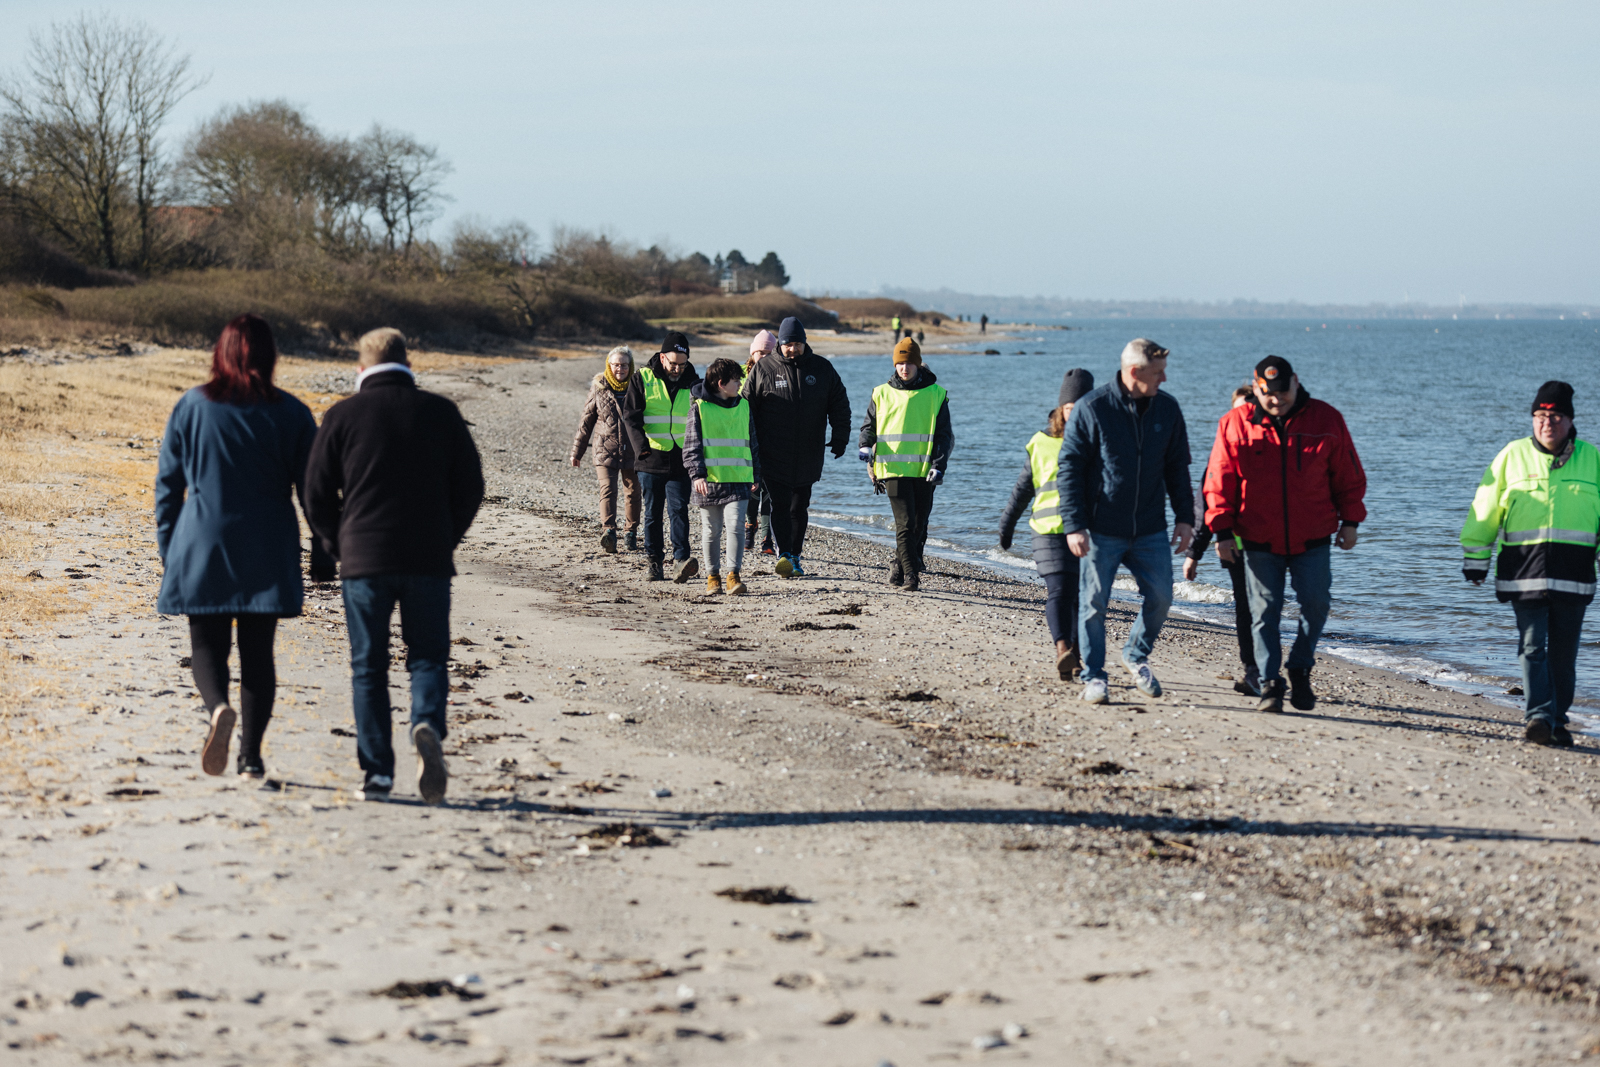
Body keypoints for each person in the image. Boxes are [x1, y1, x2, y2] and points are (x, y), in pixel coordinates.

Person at [305, 328, 484, 803]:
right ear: (408, 364)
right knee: (427, 656)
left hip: (364, 559)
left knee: (368, 666)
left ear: (361, 369)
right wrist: (447, 537)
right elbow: (471, 487)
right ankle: (425, 722)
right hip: (428, 558)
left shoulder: (342, 415)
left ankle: (378, 775)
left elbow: (315, 492)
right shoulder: (440, 411)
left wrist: (337, 544)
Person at [155, 314, 326, 780]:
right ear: (270, 357)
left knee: (206, 646)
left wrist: (170, 551)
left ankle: (217, 708)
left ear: (220, 354)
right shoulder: (292, 412)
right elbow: (313, 491)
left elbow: (167, 487)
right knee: (258, 655)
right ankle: (251, 757)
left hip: (202, 541)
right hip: (267, 543)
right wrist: (322, 548)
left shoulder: (191, 406)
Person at [1204, 355, 1366, 713]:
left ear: (1296, 382)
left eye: (1282, 392)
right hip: (1257, 537)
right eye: (1268, 394)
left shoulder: (1327, 418)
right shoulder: (1235, 423)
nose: (1276, 400)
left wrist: (1351, 522)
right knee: (1264, 613)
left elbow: (1348, 474)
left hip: (1314, 535)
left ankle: (1300, 666)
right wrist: (1221, 532)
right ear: (1256, 388)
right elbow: (1218, 480)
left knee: (1317, 604)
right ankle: (1270, 683)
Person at [1461, 380, 1600, 747]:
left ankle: (1557, 721)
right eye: (1540, 415)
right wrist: (1476, 558)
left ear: (1570, 420)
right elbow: (1485, 507)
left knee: (1564, 656)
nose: (1546, 423)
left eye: (1555, 416)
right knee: (1532, 647)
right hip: (1524, 573)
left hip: (1574, 575)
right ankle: (1538, 716)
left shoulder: (1593, 459)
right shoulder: (1512, 455)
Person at [1059, 338, 1194, 705]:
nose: (1164, 379)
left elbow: (1177, 468)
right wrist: (1074, 524)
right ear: (1135, 372)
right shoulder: (1093, 408)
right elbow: (1069, 468)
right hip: (1101, 528)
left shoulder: (1167, 408)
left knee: (1162, 597)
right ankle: (1094, 676)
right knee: (1093, 605)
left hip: (1150, 527)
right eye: (1158, 372)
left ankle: (1136, 654)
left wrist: (1185, 518)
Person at [999, 368, 1093, 679]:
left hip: (1084, 531)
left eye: (1082, 407)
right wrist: (1007, 525)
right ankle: (1062, 648)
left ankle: (1074, 655)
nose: (1075, 413)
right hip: (1047, 529)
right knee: (1060, 589)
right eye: (1070, 407)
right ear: (1061, 408)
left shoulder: (1098, 441)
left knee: (1080, 595)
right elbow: (1023, 489)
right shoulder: (1040, 442)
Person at [742, 316, 851, 577]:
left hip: (808, 451)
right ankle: (785, 555)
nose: (793, 349)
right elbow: (746, 409)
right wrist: (747, 447)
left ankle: (796, 554)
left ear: (805, 342)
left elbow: (839, 404)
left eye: (797, 344)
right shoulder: (764, 369)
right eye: (788, 344)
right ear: (780, 343)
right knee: (780, 505)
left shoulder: (822, 368)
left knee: (799, 507)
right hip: (773, 452)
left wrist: (840, 437)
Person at [859, 338, 952, 592]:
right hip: (892, 469)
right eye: (900, 363)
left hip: (924, 471)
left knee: (919, 524)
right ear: (895, 365)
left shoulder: (936, 394)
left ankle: (898, 567)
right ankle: (911, 576)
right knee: (906, 523)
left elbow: (944, 436)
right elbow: (869, 426)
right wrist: (865, 445)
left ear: (918, 364)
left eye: (909, 363)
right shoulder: (881, 393)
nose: (904, 368)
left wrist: (939, 465)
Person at [1184, 385, 1260, 696]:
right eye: (1239, 408)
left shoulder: (1270, 446)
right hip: (1235, 545)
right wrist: (1194, 553)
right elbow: (1206, 505)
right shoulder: (1223, 449)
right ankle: (1253, 669)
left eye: (1250, 407)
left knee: (1267, 606)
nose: (1244, 414)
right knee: (1246, 606)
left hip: (1271, 544)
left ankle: (1268, 668)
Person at [622, 332, 702, 583]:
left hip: (681, 457)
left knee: (679, 510)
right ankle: (654, 562)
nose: (677, 369)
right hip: (650, 457)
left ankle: (681, 561)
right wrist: (641, 447)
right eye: (673, 363)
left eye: (682, 364)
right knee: (653, 513)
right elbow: (631, 417)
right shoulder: (642, 378)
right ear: (662, 357)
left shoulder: (694, 382)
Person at [684, 357, 762, 596]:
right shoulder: (699, 408)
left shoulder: (744, 406)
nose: (740, 383)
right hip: (708, 482)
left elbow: (753, 443)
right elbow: (691, 446)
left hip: (739, 479)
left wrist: (756, 473)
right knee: (711, 530)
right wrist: (697, 475)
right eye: (736, 380)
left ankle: (733, 576)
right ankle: (713, 577)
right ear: (721, 383)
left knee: (736, 526)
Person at [570, 346, 640, 553]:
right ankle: (609, 532)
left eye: (624, 365)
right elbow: (586, 422)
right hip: (604, 449)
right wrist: (577, 452)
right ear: (609, 365)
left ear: (630, 366)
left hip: (633, 450)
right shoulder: (599, 387)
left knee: (633, 492)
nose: (620, 369)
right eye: (616, 365)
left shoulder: (638, 387)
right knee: (608, 490)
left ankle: (630, 533)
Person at [743, 331, 777, 556]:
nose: (764, 357)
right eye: (760, 352)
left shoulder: (780, 374)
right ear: (752, 353)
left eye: (768, 352)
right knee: (750, 489)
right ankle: (750, 524)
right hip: (744, 441)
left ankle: (767, 537)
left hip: (771, 441)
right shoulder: (739, 376)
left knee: (767, 490)